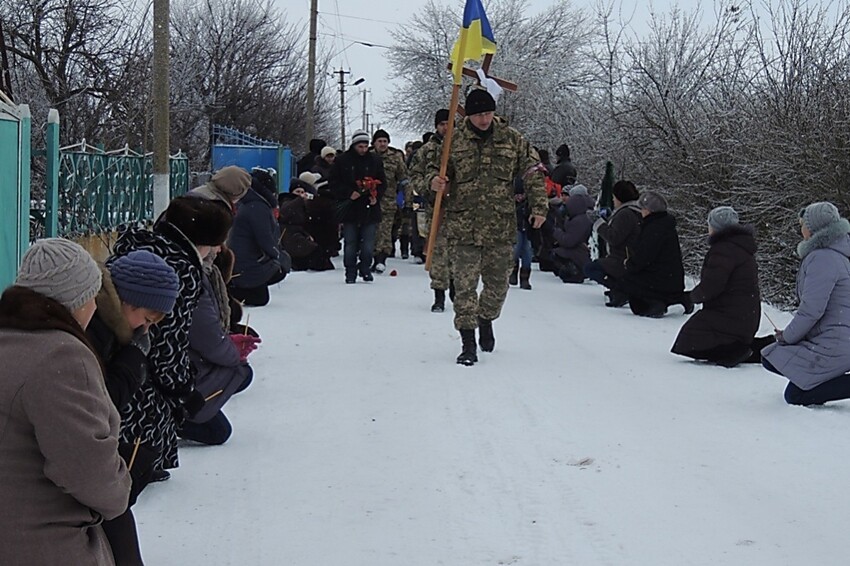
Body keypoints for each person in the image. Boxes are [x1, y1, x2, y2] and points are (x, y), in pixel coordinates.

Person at [0, 238, 131, 565]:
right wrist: (122, 485)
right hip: (43, 544)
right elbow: (87, 470)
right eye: (92, 297)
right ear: (76, 301)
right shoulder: (61, 357)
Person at [109, 196, 233, 478]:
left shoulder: (141, 245)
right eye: (216, 241)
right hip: (134, 373)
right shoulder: (181, 270)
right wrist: (183, 390)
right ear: (202, 239)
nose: (218, 249)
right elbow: (168, 342)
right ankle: (138, 463)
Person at [428, 89, 548, 365]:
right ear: (468, 115)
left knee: (497, 287)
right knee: (464, 287)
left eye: (487, 113)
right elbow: (430, 172)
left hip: (499, 227)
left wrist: (539, 207)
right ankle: (467, 342)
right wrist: (433, 183)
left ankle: (486, 318)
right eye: (478, 114)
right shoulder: (452, 142)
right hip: (463, 226)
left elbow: (532, 172)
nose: (483, 120)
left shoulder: (511, 139)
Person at [87, 250, 180, 566]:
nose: (146, 329)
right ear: (127, 302)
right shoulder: (92, 329)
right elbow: (99, 403)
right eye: (148, 319)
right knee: (115, 490)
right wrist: (133, 362)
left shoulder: (108, 326)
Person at [761, 202, 850, 405]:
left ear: (813, 228)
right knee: (781, 366)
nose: (801, 229)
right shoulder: (839, 257)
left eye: (803, 224)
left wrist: (787, 337)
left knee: (792, 389)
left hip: (833, 344)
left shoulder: (822, 258)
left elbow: (812, 310)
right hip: (838, 340)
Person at [181, 249, 258, 446]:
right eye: (215, 244)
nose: (218, 249)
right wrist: (232, 350)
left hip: (187, 361)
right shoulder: (192, 275)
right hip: (177, 372)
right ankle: (172, 418)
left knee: (241, 373)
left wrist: (229, 339)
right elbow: (208, 339)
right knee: (218, 431)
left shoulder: (205, 270)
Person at [671, 206, 761, 367]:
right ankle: (752, 348)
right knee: (699, 334)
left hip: (730, 313)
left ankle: (735, 353)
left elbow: (712, 285)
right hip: (744, 313)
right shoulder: (740, 248)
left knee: (690, 338)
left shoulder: (723, 250)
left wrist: (691, 297)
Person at [612, 191, 691, 317]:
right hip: (670, 278)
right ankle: (673, 300)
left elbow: (644, 257)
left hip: (659, 280)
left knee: (627, 282)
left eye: (642, 208)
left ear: (649, 210)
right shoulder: (664, 225)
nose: (640, 212)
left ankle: (659, 304)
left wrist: (629, 264)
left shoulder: (654, 229)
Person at [330, 129, 387, 284]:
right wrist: (348, 193)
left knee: (368, 244)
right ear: (354, 145)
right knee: (350, 243)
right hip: (350, 208)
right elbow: (333, 183)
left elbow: (383, 181)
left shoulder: (374, 160)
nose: (363, 149)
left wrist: (376, 195)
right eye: (360, 146)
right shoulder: (342, 161)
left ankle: (365, 267)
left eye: (365, 146)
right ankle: (350, 271)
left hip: (369, 207)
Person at [410, 109, 453, 311]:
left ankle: (457, 288)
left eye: (449, 123)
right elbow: (415, 177)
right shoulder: (426, 151)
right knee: (438, 253)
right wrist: (430, 184)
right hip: (437, 208)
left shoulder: (461, 147)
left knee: (460, 253)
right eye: (442, 123)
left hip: (462, 209)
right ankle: (439, 294)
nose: (446, 127)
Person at [228, 169, 289, 306]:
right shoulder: (258, 207)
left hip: (241, 261)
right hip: (248, 263)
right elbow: (265, 238)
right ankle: (235, 290)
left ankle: (238, 287)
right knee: (261, 298)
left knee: (260, 296)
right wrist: (278, 256)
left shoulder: (249, 203)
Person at [584, 180, 642, 303]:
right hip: (630, 257)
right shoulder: (637, 211)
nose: (613, 200)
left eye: (614, 197)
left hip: (621, 259)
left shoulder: (625, 213)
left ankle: (620, 289)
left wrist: (597, 222)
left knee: (591, 268)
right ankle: (620, 288)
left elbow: (614, 237)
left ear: (620, 198)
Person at [371, 129, 408, 271]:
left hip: (388, 200)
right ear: (374, 142)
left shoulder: (395, 158)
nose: (382, 144)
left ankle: (381, 258)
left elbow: (403, 178)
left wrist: (406, 198)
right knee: (371, 231)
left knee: (385, 231)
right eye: (379, 141)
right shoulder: (368, 156)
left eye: (385, 141)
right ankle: (369, 256)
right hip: (369, 200)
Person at [280, 177, 334, 271]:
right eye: (298, 192)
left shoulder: (305, 204)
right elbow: (286, 211)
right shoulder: (287, 201)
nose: (300, 194)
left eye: (302, 192)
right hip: (291, 235)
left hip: (300, 234)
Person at [546, 184, 594, 284]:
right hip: (582, 251)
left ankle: (575, 272)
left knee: (556, 253)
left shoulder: (579, 219)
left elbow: (569, 241)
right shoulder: (584, 216)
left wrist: (556, 231)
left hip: (579, 253)